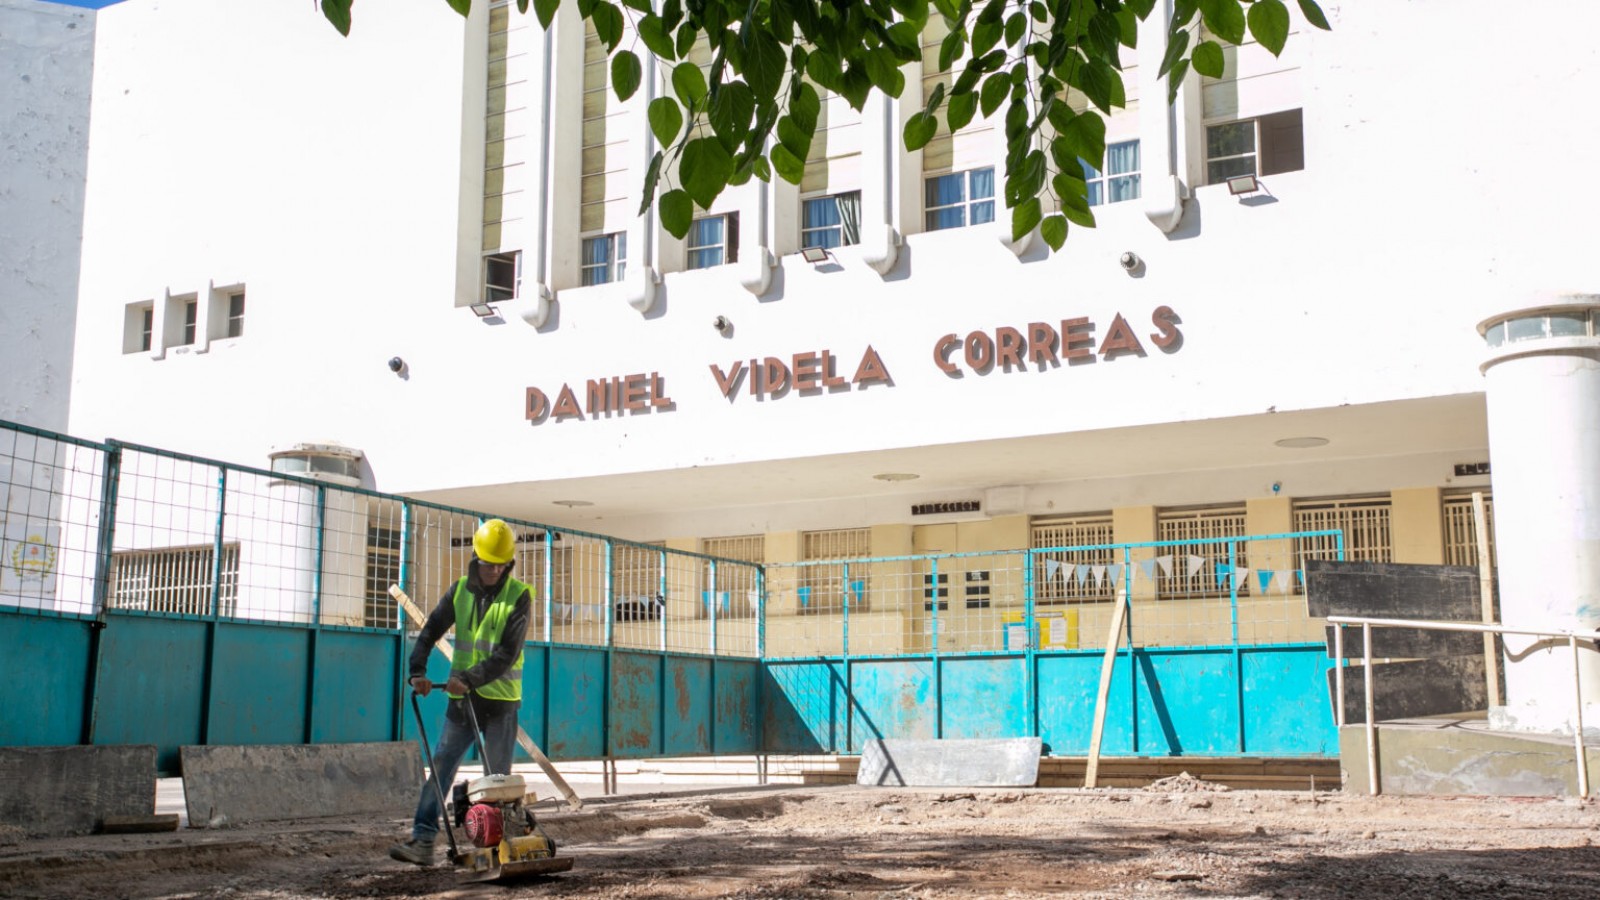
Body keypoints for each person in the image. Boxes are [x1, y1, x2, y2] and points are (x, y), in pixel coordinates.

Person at [389, 518, 532, 866]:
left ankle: (502, 842)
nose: (494, 570)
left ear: (508, 563)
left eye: (501, 564)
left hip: (501, 701)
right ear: (476, 559)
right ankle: (423, 840)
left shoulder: (520, 596)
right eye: (488, 563)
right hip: (461, 702)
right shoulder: (459, 592)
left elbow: (507, 654)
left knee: (497, 781)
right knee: (440, 768)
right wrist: (417, 673)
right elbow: (429, 631)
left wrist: (468, 678)